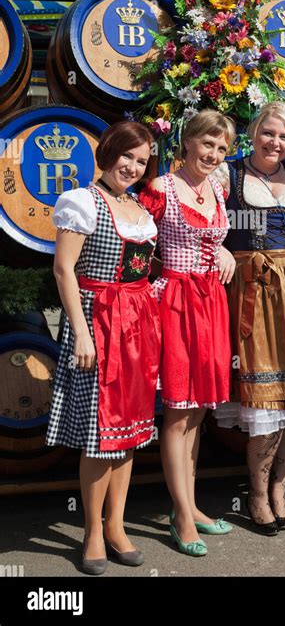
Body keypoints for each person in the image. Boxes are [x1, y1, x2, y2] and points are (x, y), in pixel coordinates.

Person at [46, 121, 161, 574]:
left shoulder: (136, 207)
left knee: (128, 433)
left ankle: (117, 524)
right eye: (126, 156)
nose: (132, 166)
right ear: (108, 153)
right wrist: (80, 331)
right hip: (97, 320)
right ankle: (92, 531)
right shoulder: (81, 202)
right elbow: (63, 270)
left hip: (135, 326)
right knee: (99, 436)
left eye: (141, 159)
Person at [213, 101, 285, 535]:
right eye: (268, 133)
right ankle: (257, 495)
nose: (275, 142)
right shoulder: (230, 175)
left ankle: (281, 488)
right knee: (263, 400)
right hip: (249, 288)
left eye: (284, 136)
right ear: (254, 133)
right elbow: (201, 213)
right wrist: (219, 246)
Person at [138, 109, 236, 557]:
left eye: (221, 148)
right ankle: (179, 515)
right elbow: (136, 241)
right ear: (187, 142)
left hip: (210, 302)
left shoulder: (218, 186)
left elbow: (212, 239)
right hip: (174, 303)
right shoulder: (160, 189)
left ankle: (191, 503)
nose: (213, 154)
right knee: (178, 413)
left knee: (198, 411)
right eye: (206, 144)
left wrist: (226, 251)